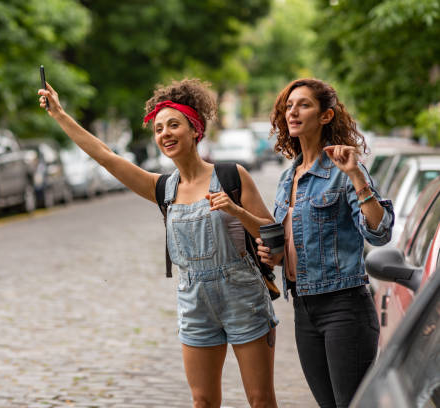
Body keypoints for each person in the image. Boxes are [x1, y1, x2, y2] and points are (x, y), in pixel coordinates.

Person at [39, 78, 279, 408]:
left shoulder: (231, 175)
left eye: (173, 125)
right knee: (203, 401)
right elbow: (107, 157)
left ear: (195, 130)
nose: (164, 133)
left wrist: (236, 210)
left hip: (243, 297)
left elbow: (271, 231)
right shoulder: (162, 189)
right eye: (158, 128)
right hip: (194, 303)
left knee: (260, 400)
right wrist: (60, 114)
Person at [256, 78, 394, 408]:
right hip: (304, 308)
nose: (293, 112)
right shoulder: (288, 177)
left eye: (303, 105)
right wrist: (275, 256)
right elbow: (298, 241)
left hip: (344, 307)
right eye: (289, 106)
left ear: (325, 116)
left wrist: (357, 178)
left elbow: (380, 232)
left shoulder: (342, 169)